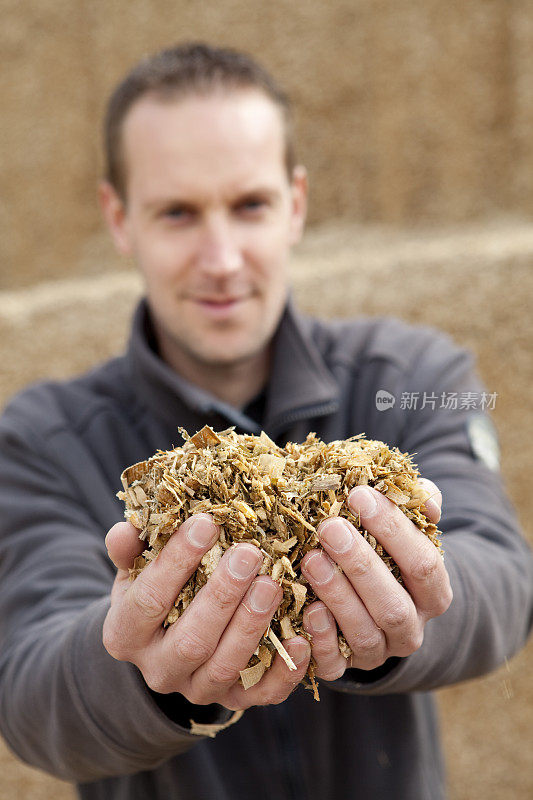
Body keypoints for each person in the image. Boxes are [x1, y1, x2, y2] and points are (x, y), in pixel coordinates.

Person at [0, 42, 531, 800]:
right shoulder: (42, 438)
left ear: (296, 203)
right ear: (120, 220)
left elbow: (502, 574)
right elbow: (30, 689)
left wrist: (412, 602)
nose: (220, 259)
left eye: (248, 205)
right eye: (178, 213)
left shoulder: (410, 378)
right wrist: (139, 669)